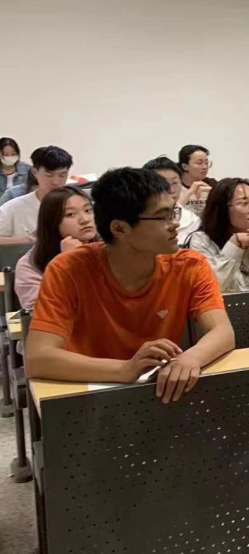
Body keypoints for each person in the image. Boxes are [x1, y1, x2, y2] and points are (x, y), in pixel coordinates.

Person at [25, 167, 235, 404]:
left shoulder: (190, 265)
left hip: (157, 395)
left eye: (173, 212)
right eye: (162, 216)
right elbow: (38, 359)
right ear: (120, 228)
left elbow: (223, 332)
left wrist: (191, 357)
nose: (175, 224)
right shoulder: (68, 269)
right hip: (88, 396)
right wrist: (124, 369)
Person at [14, 187, 98, 311]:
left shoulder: (110, 249)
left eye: (88, 210)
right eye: (70, 214)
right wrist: (68, 265)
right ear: (52, 222)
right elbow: (41, 313)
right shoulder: (29, 265)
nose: (85, 220)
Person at [0, 145, 73, 244]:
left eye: (62, 175)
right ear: (35, 172)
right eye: (49, 175)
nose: (56, 182)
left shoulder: (77, 204)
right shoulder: (12, 208)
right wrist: (25, 240)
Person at [144, 156, 201, 245]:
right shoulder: (138, 222)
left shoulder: (194, 222)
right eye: (163, 184)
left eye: (175, 183)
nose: (171, 190)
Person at [178, 144, 215, 217]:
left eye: (206, 163)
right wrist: (190, 192)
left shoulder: (212, 184)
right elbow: (171, 213)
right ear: (185, 166)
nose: (205, 167)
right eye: (199, 163)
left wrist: (214, 192)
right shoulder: (174, 186)